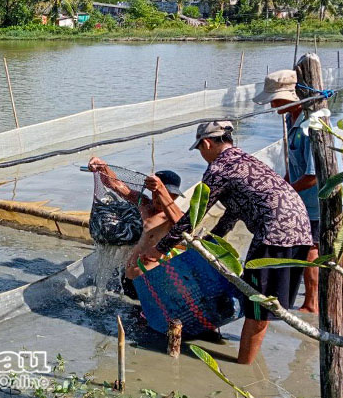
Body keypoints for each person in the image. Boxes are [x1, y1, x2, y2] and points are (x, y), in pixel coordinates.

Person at [144, 121, 312, 364]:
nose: (202, 155)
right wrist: (208, 244)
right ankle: (249, 362)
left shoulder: (219, 168)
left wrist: (160, 248)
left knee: (258, 305)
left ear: (206, 143)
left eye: (199, 150)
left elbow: (194, 215)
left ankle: (243, 368)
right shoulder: (246, 161)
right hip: (301, 231)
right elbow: (231, 215)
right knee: (268, 304)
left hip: (275, 235)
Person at [254, 69, 319, 314]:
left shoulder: (311, 126)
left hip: (317, 203)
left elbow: (313, 175)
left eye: (276, 99)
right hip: (302, 200)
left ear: (293, 97)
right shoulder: (292, 119)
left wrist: (287, 192)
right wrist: (282, 186)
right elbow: (296, 165)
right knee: (306, 247)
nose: (272, 105)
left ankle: (311, 303)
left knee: (311, 250)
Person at [87, 157, 185, 279]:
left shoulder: (174, 217)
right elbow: (115, 184)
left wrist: (161, 190)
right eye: (156, 193)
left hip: (147, 278)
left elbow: (183, 225)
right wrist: (103, 167)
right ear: (151, 190)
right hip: (127, 274)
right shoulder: (143, 203)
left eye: (171, 195)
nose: (159, 198)